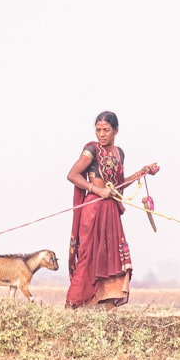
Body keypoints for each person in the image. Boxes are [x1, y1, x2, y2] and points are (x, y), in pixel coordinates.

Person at [65, 110, 159, 309]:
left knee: (110, 256)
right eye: (98, 130)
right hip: (93, 209)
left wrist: (142, 172)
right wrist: (97, 190)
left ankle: (107, 303)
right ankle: (73, 303)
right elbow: (72, 175)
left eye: (106, 130)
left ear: (115, 130)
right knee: (88, 255)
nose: (101, 134)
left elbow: (118, 185)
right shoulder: (91, 150)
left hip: (111, 211)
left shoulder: (119, 153)